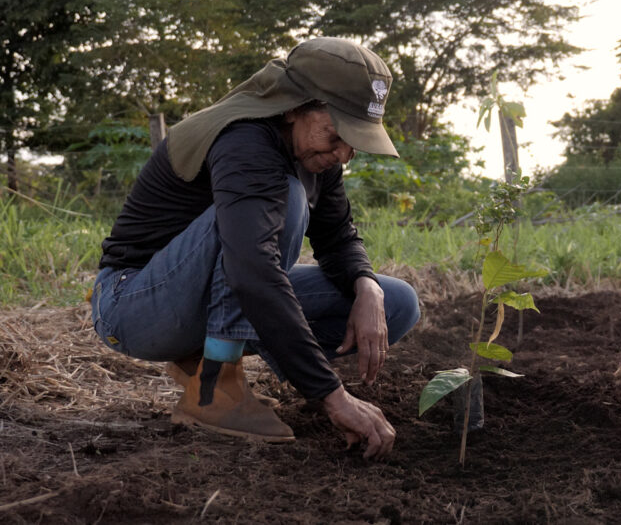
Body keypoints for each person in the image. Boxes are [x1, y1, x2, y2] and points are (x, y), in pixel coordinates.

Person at [90, 37, 420, 459]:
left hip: (197, 298)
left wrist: (365, 285)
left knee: (396, 303)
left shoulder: (314, 153)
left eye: (354, 142)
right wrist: (332, 396)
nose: (344, 154)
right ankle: (215, 387)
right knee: (285, 199)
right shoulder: (243, 139)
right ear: (294, 107)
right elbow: (253, 271)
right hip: (132, 304)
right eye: (336, 134)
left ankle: (202, 358)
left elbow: (337, 237)